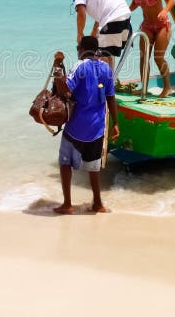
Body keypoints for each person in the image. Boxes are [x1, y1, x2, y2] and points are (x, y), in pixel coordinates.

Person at [52, 36, 119, 214]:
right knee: (93, 167)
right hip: (97, 129)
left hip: (76, 127)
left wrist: (57, 68)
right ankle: (97, 203)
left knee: (65, 162)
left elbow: (65, 91)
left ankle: (67, 204)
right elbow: (111, 97)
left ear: (82, 49)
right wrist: (115, 123)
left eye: (78, 47)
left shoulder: (79, 66)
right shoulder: (106, 68)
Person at [65, 0, 132, 69]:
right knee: (107, 51)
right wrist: (94, 31)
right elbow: (103, 5)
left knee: (99, 55)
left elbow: (81, 11)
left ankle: (104, 84)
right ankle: (110, 82)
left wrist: (80, 33)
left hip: (112, 19)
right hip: (125, 16)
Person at [126, 0, 175, 97]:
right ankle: (144, 88)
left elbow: (170, 0)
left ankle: (167, 87)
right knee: (144, 57)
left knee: (158, 58)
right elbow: (135, 3)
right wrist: (124, 11)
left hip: (162, 26)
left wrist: (165, 11)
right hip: (147, 25)